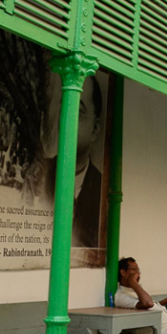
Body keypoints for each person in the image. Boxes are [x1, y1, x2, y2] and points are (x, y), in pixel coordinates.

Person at [71, 75, 104, 248]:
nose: (67, 120)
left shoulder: (101, 187)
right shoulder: (42, 173)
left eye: (79, 113)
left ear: (95, 129)